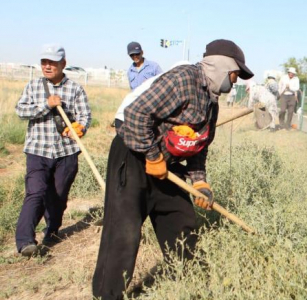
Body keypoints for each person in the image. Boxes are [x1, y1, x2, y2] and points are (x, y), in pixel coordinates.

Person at [92, 39, 254, 299]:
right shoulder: (183, 79)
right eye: (235, 74)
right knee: (124, 231)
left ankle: (189, 285)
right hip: (133, 155)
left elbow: (200, 145)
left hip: (166, 165)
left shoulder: (211, 102)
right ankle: (107, 295)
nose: (235, 81)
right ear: (222, 66)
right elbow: (136, 114)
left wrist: (200, 183)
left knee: (181, 222)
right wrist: (152, 155)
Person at [14, 44, 92, 257]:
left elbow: (85, 116)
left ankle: (52, 230)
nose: (47, 66)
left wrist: (79, 128)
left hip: (66, 152)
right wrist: (45, 105)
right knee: (35, 192)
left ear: (63, 64)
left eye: (52, 62)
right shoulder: (33, 86)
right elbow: (21, 110)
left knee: (57, 195)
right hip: (37, 150)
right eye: (44, 62)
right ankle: (25, 241)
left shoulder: (75, 89)